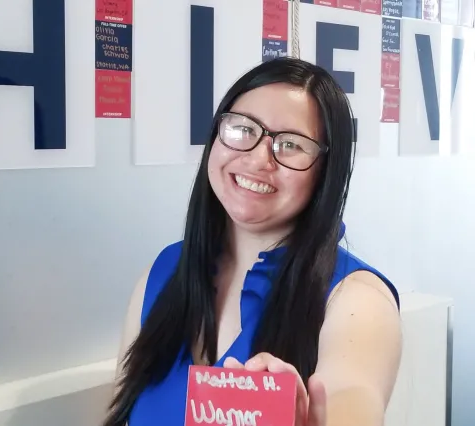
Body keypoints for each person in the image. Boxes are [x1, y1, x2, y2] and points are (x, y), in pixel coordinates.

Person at [103, 57, 402, 426]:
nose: (259, 159)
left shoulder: (357, 299)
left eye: (291, 144)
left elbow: (353, 398)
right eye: (243, 129)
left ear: (326, 172)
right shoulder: (165, 271)